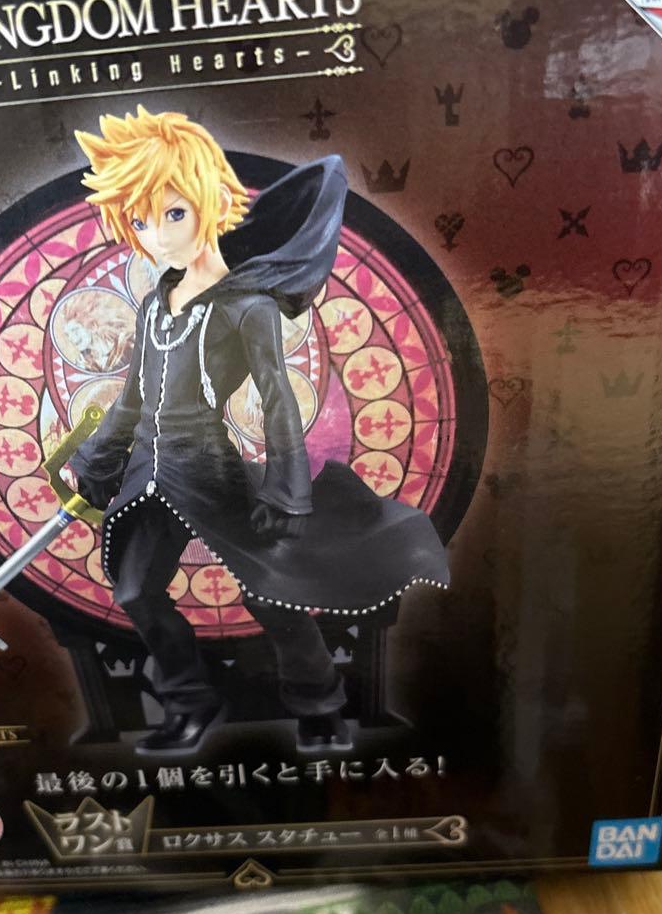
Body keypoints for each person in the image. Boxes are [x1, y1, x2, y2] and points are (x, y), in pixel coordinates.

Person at [70, 107, 449, 757]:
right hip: (148, 472)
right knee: (135, 589)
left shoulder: (248, 306)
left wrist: (286, 490)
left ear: (211, 204)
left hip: (207, 467)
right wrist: (99, 456)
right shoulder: (155, 304)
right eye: (140, 221)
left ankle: (319, 703)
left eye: (173, 213)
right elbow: (133, 395)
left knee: (270, 590)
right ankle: (190, 703)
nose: (157, 236)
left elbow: (278, 402)